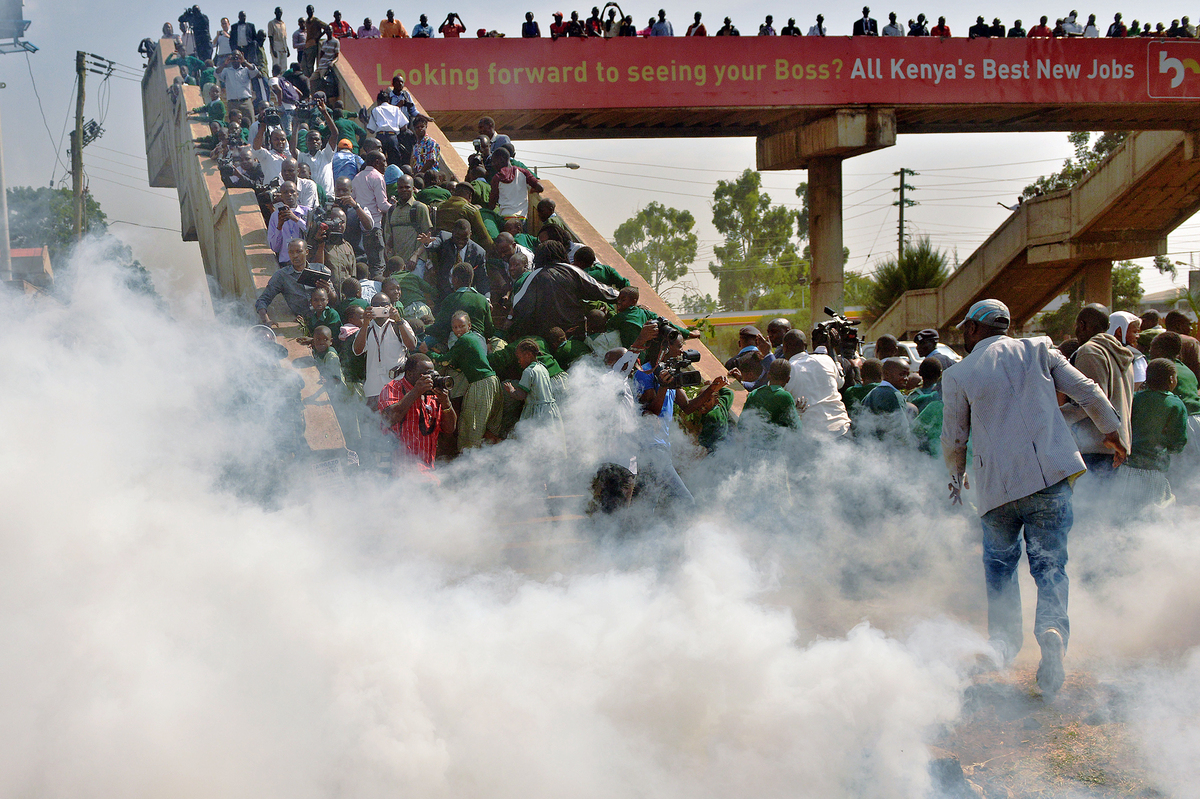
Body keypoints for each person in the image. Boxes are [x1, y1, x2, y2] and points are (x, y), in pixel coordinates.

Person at [941, 299, 1124, 699]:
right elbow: (1088, 392)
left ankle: (1003, 645)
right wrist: (1111, 430)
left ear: (974, 330)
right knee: (1050, 565)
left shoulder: (958, 374)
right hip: (1048, 479)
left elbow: (954, 437)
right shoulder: (1040, 349)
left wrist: (956, 478)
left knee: (1001, 567)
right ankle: (1052, 631)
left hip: (997, 490)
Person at [1062, 304, 1134, 477]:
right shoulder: (1121, 353)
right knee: (1105, 503)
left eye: (1077, 326)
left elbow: (1090, 402)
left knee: (1086, 503)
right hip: (1116, 447)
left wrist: (1055, 417)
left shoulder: (1090, 351)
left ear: (1082, 325)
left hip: (1094, 447)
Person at [509, 241, 619, 339]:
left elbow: (519, 306)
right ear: (561, 253)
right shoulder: (573, 270)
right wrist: (624, 297)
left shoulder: (532, 277)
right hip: (575, 334)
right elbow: (604, 292)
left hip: (545, 337)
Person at [1123, 359, 1189, 509]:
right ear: (1172, 379)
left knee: (1126, 513)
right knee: (1152, 514)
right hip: (1154, 469)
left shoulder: (1134, 398)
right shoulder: (1175, 404)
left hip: (1127, 467)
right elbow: (1178, 442)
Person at [431, 311, 499, 450]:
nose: (458, 330)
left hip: (480, 384)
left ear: (469, 326)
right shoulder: (475, 338)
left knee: (470, 426)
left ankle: (467, 462)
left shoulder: (464, 340)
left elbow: (446, 361)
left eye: (461, 326)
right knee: (489, 426)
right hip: (492, 381)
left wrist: (428, 353)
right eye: (455, 327)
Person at [378, 354, 456, 472]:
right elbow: (390, 418)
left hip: (426, 469)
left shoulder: (433, 394)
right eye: (425, 375)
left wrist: (446, 403)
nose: (431, 379)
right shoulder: (393, 388)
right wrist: (416, 392)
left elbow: (450, 428)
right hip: (396, 468)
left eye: (433, 374)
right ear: (409, 374)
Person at [781, 329, 849, 437]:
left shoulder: (787, 370)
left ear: (784, 348)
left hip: (812, 436)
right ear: (806, 346)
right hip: (842, 427)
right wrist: (834, 353)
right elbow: (840, 383)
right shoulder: (826, 359)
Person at [353, 293, 417, 408]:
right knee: (374, 424)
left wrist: (399, 320)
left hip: (397, 385)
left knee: (396, 423)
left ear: (391, 306)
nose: (380, 308)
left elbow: (412, 345)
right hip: (373, 388)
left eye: (384, 305)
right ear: (370, 307)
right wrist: (365, 323)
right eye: (376, 305)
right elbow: (357, 351)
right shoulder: (367, 327)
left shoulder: (398, 324)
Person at [504, 339, 565, 440]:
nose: (518, 361)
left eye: (519, 357)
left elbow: (521, 395)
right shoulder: (542, 368)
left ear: (528, 355)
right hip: (550, 410)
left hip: (537, 412)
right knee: (549, 439)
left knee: (532, 440)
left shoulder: (529, 371)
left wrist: (511, 390)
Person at [417, 221, 489, 301]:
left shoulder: (478, 252)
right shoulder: (444, 238)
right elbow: (435, 242)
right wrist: (428, 243)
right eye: (457, 238)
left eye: (465, 239)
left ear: (470, 234)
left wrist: (486, 298)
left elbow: (482, 279)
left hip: (465, 296)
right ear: (452, 232)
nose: (461, 242)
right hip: (444, 294)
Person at [427, 262, 495, 345]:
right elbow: (490, 331)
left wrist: (423, 328)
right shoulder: (483, 300)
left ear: (455, 279)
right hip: (479, 343)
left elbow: (439, 327)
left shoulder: (450, 299)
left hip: (456, 343)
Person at [257, 238, 317, 323]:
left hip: (324, 321)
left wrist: (327, 290)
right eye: (291, 252)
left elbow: (334, 299)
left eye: (299, 251)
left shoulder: (320, 270)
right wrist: (265, 319)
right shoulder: (282, 276)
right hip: (302, 323)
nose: (295, 255)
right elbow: (262, 300)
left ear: (306, 252)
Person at [352, 151, 392, 279]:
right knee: (378, 266)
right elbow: (382, 206)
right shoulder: (377, 177)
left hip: (360, 228)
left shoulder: (357, 177)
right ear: (377, 162)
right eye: (384, 161)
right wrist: (396, 207)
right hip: (375, 228)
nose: (386, 165)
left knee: (365, 264)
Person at [857, 357, 912, 443]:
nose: (906, 378)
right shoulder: (894, 395)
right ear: (886, 374)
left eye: (907, 375)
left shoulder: (873, 392)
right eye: (902, 374)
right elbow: (902, 431)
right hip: (887, 448)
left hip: (869, 445)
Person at [383, 175, 432, 263]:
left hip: (416, 262)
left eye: (407, 187)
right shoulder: (392, 210)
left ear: (413, 189)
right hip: (398, 263)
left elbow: (427, 237)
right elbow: (389, 236)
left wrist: (416, 255)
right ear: (397, 189)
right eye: (401, 187)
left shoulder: (420, 208)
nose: (404, 190)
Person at [487, 148, 543, 224]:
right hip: (522, 218)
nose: (493, 164)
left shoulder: (497, 178)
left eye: (494, 161)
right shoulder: (523, 172)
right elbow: (540, 187)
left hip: (505, 217)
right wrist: (533, 190)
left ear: (502, 160)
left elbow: (492, 203)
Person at [744, 359, 802, 430]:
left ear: (768, 375)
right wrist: (797, 413)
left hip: (751, 440)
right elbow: (796, 429)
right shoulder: (785, 397)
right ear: (788, 379)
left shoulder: (754, 393)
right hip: (774, 441)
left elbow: (742, 424)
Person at [1107, 311, 1146, 385]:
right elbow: (1139, 386)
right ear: (1120, 331)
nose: (1138, 336)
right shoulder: (1136, 357)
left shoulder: (1097, 350)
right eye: (1135, 332)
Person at [218, 50, 256, 124]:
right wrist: (225, 64)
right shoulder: (226, 71)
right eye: (233, 58)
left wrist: (244, 61)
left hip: (246, 102)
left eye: (237, 57)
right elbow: (217, 73)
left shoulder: (246, 70)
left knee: (250, 123)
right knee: (233, 125)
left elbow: (255, 71)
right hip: (232, 103)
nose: (235, 60)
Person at [1164, 310, 1200, 378]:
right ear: (1178, 326)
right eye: (1189, 324)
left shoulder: (1157, 340)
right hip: (1186, 384)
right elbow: (1198, 367)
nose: (1191, 328)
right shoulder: (1190, 342)